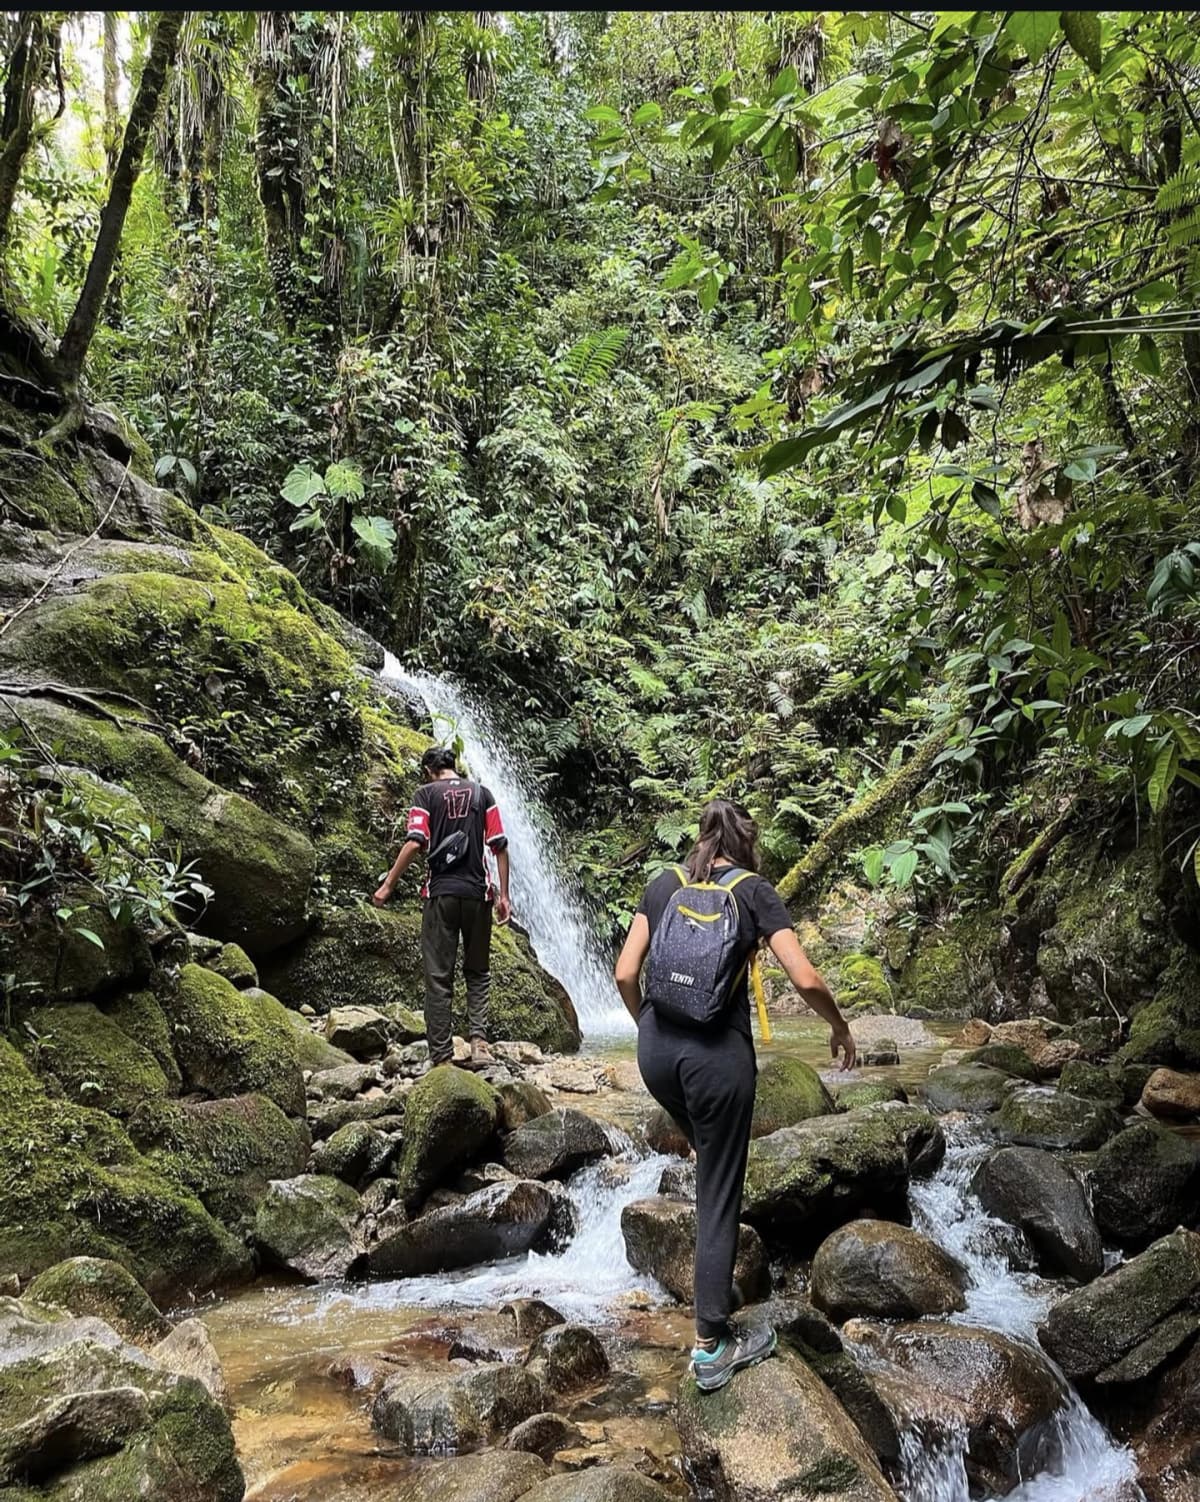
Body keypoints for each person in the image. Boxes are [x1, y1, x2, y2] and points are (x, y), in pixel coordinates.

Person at [614, 797, 855, 1393]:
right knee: (718, 1192)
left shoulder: (663, 883)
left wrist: (649, 1027)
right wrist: (839, 1027)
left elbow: (624, 973)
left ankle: (702, 1155)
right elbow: (804, 977)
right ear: (744, 844)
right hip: (717, 1060)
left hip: (656, 1057)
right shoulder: (753, 891)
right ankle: (710, 1342)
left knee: (704, 1149)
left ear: (700, 838)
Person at [373, 747, 511, 1070]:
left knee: (438, 977)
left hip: (440, 895)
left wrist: (388, 884)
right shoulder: (482, 793)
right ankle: (479, 1043)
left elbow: (415, 841)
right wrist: (504, 896)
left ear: (429, 770)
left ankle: (442, 1057)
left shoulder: (425, 794)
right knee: (477, 972)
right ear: (453, 767)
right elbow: (500, 845)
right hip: (478, 896)